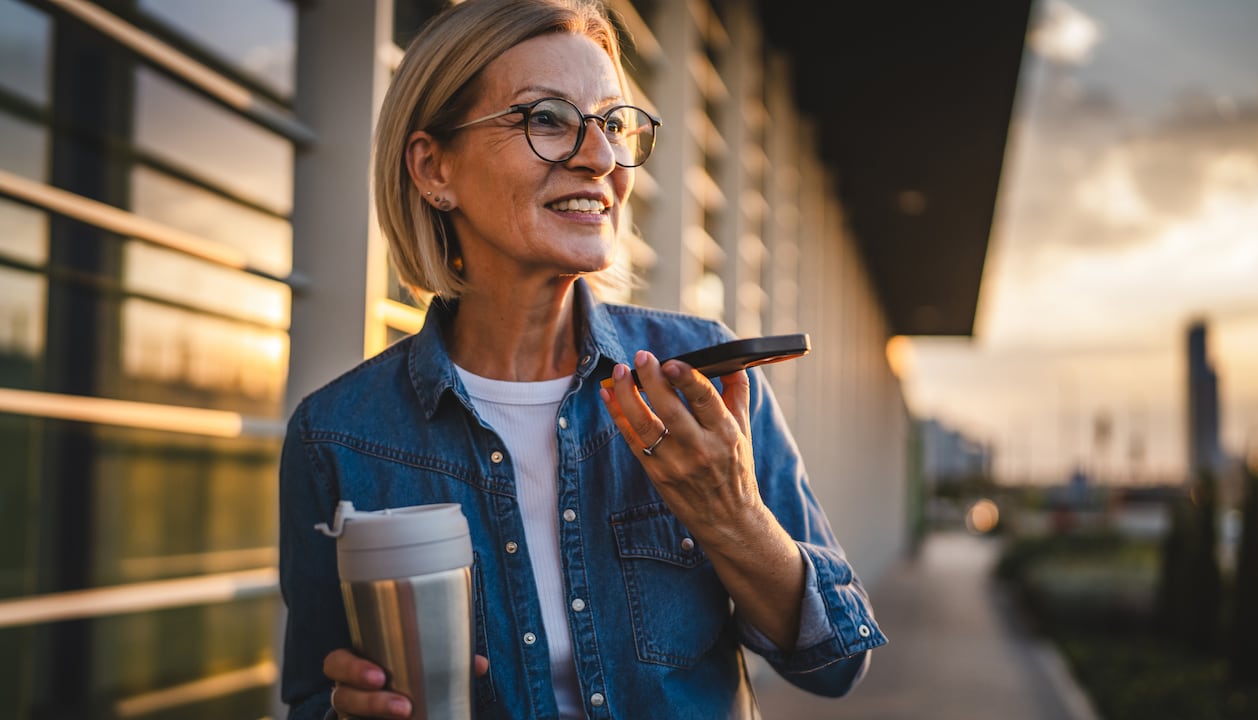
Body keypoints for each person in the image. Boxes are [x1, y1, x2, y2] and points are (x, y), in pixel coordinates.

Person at [277, 0, 885, 717]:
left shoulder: (702, 378)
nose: (600, 158)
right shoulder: (339, 435)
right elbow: (315, 694)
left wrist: (733, 514)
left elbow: (839, 662)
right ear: (433, 167)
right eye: (545, 119)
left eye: (613, 124)